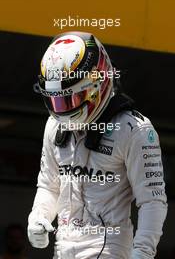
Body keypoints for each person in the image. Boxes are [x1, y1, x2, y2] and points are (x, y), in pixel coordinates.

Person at [27, 31, 167, 259]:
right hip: (62, 248)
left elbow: (152, 199)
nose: (62, 109)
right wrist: (39, 216)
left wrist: (143, 252)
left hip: (109, 250)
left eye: (69, 99)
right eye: (55, 100)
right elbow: (49, 186)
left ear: (98, 82)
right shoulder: (53, 126)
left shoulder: (135, 129)